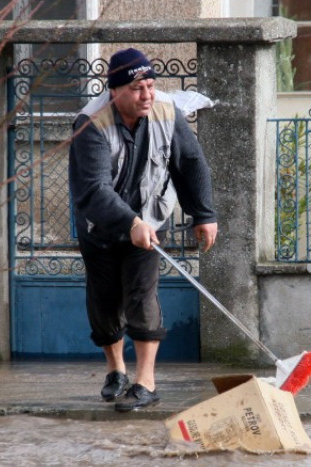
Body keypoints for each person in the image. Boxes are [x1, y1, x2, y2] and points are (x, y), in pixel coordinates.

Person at [68, 48, 218, 412]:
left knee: (141, 295)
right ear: (115, 91)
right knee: (104, 301)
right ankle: (116, 369)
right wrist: (128, 222)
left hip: (150, 217)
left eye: (150, 85)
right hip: (100, 225)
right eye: (137, 88)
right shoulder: (91, 125)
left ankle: (145, 381)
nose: (147, 95)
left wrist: (204, 214)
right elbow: (93, 190)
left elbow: (191, 162)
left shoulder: (167, 111)